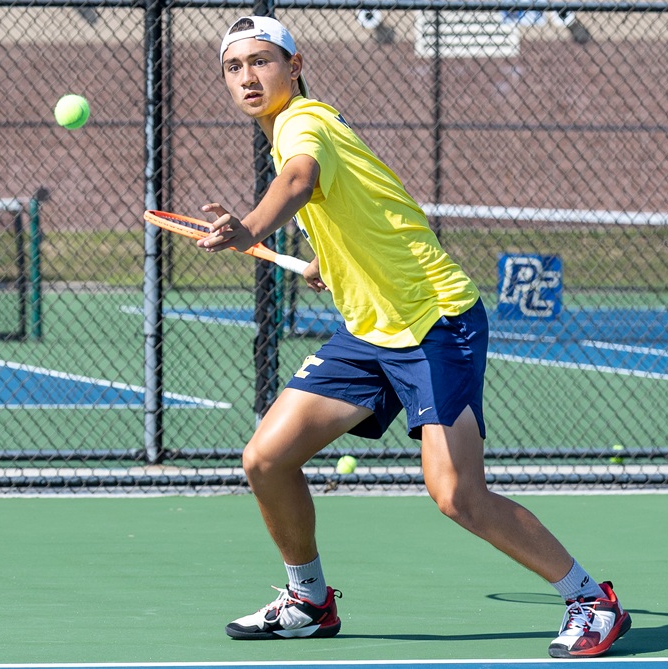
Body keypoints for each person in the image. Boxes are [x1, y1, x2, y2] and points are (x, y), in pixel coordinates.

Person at [198, 15, 632, 658]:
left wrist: (252, 228)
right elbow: (363, 210)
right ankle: (309, 600)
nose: (248, 77)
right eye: (234, 68)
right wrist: (330, 263)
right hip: (370, 332)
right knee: (266, 458)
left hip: (434, 322)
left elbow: (299, 182)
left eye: (261, 61)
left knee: (457, 494)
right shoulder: (294, 130)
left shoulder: (302, 122)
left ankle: (591, 600)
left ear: (294, 66)